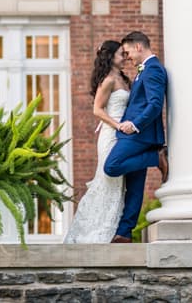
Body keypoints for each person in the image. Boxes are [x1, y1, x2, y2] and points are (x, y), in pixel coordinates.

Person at [103, 31, 169, 244]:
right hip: (137, 135)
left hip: (138, 135)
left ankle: (156, 158)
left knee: (112, 166)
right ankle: (124, 232)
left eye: (128, 51)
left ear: (139, 47)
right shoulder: (144, 70)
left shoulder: (153, 70)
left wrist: (135, 125)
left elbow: (155, 104)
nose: (127, 56)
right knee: (135, 186)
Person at [63, 40, 130, 243]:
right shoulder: (108, 80)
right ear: (110, 57)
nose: (124, 57)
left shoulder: (123, 77)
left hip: (123, 134)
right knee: (107, 180)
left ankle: (111, 227)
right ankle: (93, 231)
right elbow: (97, 110)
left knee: (117, 183)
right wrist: (117, 125)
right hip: (111, 134)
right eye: (121, 54)